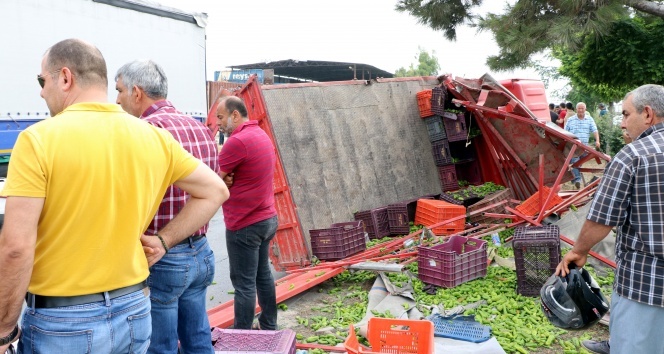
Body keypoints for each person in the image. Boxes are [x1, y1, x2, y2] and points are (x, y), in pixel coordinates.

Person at [0, 39, 228, 354]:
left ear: (65, 78)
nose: (41, 91)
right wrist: (164, 240)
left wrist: (3, 329)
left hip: (64, 322)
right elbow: (216, 190)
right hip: (134, 311)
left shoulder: (37, 140)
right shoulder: (153, 137)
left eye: (43, 80)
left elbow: (15, 249)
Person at [115, 59, 219, 354]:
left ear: (136, 92)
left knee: (160, 345)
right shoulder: (199, 128)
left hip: (163, 255)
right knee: (197, 338)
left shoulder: (145, 132)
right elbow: (214, 187)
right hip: (200, 251)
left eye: (119, 91)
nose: (117, 99)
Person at [557, 84, 664, 354]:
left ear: (648, 114)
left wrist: (578, 252)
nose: (622, 124)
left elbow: (601, 219)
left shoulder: (633, 155)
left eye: (626, 115)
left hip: (645, 285)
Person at [216, 96, 279, 330]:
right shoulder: (260, 135)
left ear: (235, 115)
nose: (218, 124)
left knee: (243, 284)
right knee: (263, 275)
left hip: (244, 225)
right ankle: (269, 326)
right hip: (266, 219)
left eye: (221, 117)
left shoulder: (237, 141)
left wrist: (225, 181)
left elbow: (212, 179)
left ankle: (241, 336)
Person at [564, 102, 600, 189]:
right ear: (576, 109)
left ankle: (574, 178)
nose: (580, 110)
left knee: (578, 164)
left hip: (584, 146)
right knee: (575, 162)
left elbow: (594, 130)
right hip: (574, 146)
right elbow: (565, 132)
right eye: (579, 108)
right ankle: (577, 180)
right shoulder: (571, 120)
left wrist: (597, 141)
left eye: (582, 108)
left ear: (585, 109)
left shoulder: (589, 119)